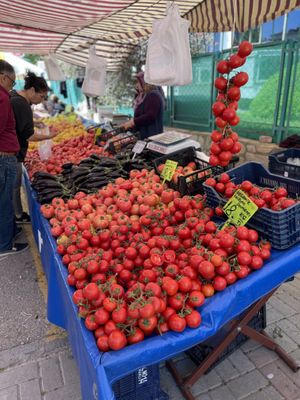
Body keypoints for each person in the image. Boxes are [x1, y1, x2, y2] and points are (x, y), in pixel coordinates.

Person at [10, 72, 58, 224]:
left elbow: (18, 121)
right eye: (41, 96)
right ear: (31, 90)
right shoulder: (22, 104)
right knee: (14, 187)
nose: (41, 101)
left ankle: (16, 215)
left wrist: (34, 123)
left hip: (9, 148)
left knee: (11, 188)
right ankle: (16, 217)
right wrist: (48, 136)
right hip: (13, 152)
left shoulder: (14, 95)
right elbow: (29, 136)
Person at [0, 60, 29, 255]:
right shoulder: (2, 98)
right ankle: (4, 244)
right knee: (5, 201)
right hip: (4, 158)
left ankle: (8, 233)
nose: (13, 85)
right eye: (12, 81)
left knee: (4, 199)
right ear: (3, 77)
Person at [121, 72, 165, 139]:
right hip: (144, 136)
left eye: (138, 83)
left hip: (151, 137)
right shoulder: (144, 96)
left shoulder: (153, 95)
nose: (137, 85)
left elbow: (150, 116)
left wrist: (133, 122)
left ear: (144, 82)